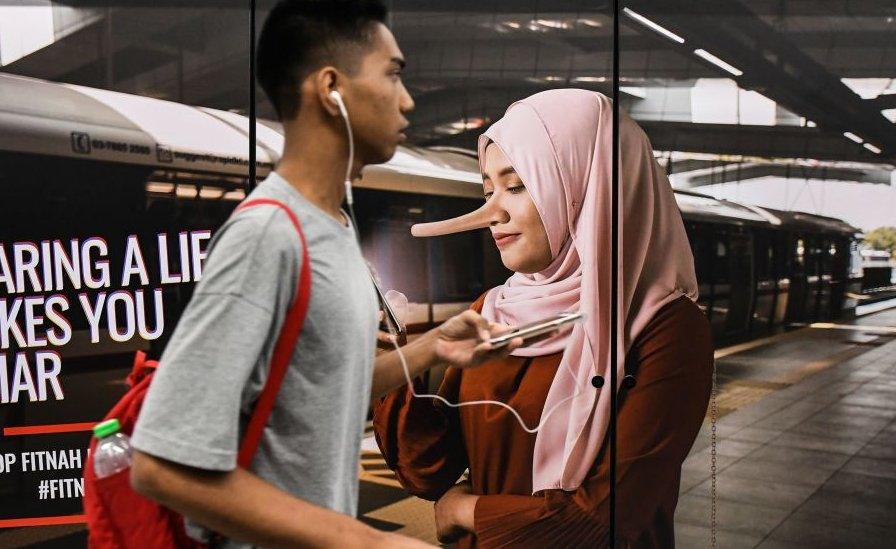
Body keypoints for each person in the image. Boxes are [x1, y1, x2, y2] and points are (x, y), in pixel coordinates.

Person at [128, 2, 520, 548]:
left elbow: (319, 390)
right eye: (392, 74)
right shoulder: (268, 235)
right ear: (331, 88)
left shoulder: (334, 226)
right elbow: (158, 465)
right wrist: (372, 542)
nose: (407, 100)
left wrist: (433, 348)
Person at [373, 89, 715, 547]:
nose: (491, 214)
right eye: (487, 190)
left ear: (584, 190)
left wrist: (467, 509)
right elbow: (428, 469)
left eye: (516, 186)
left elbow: (603, 520)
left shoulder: (667, 329)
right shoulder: (491, 310)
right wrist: (391, 349)